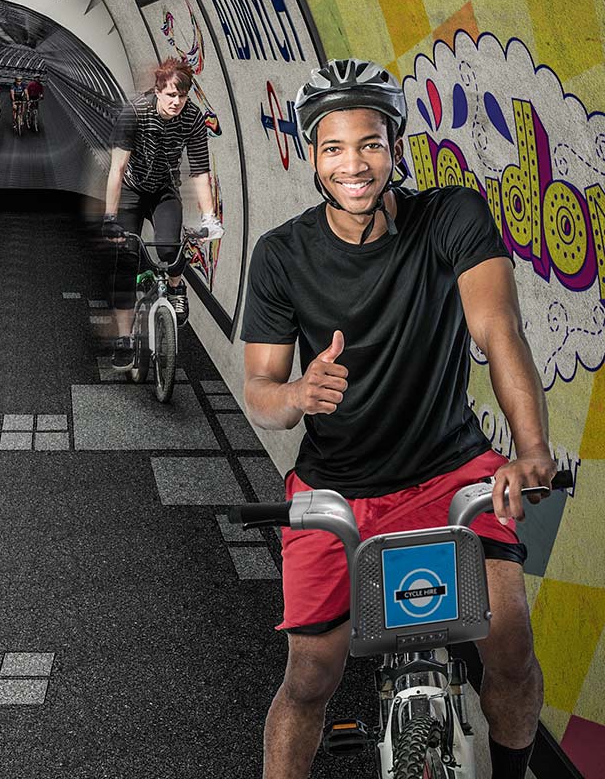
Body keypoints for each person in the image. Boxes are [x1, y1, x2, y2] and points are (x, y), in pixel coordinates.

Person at [240, 59, 558, 779]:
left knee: (508, 641)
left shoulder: (452, 216)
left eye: (370, 143)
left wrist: (531, 449)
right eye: (333, 148)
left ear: (396, 146)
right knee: (311, 676)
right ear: (311, 155)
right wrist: (295, 395)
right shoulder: (281, 256)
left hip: (453, 473)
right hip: (338, 488)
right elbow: (260, 385)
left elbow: (498, 329)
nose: (353, 164)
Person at [101, 57, 222, 367]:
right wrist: (110, 219)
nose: (177, 102)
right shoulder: (135, 113)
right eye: (171, 96)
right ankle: (124, 337)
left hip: (164, 189)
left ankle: (177, 285)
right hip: (131, 189)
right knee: (126, 260)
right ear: (157, 91)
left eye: (182, 96)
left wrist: (210, 218)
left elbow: (200, 172)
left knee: (170, 248)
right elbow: (117, 168)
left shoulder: (193, 118)